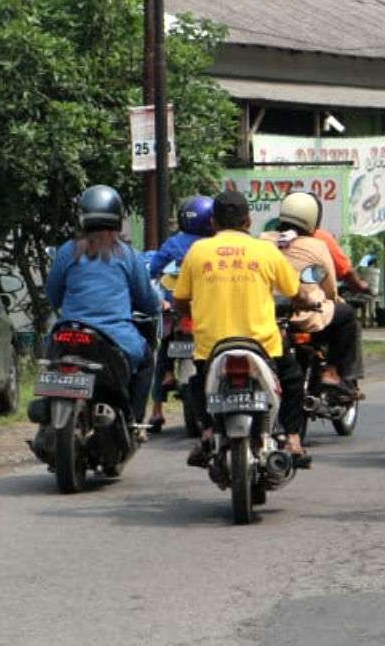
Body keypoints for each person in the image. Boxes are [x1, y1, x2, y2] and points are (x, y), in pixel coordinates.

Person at [173, 190, 310, 466]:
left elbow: (179, 300)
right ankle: (293, 439)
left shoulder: (198, 251)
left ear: (213, 223)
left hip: (212, 346)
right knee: (294, 379)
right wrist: (306, 301)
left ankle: (209, 433)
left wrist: (197, 316)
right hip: (262, 344)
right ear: (248, 221)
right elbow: (295, 292)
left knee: (197, 383)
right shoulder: (266, 251)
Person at [44, 185, 159, 430]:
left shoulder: (67, 251)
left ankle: (47, 415)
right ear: (118, 217)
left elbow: (53, 294)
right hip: (115, 340)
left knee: (50, 363)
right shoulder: (127, 254)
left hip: (67, 334)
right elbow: (147, 301)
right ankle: (134, 422)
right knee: (147, 360)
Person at [271, 191, 364, 399]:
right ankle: (331, 372)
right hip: (306, 314)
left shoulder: (264, 241)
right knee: (346, 314)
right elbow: (330, 288)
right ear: (313, 219)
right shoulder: (318, 245)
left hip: (269, 316)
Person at [144, 194, 214, 432]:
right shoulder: (212, 246)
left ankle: (156, 410)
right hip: (205, 312)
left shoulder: (173, 243)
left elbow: (153, 269)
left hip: (175, 311)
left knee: (163, 352)